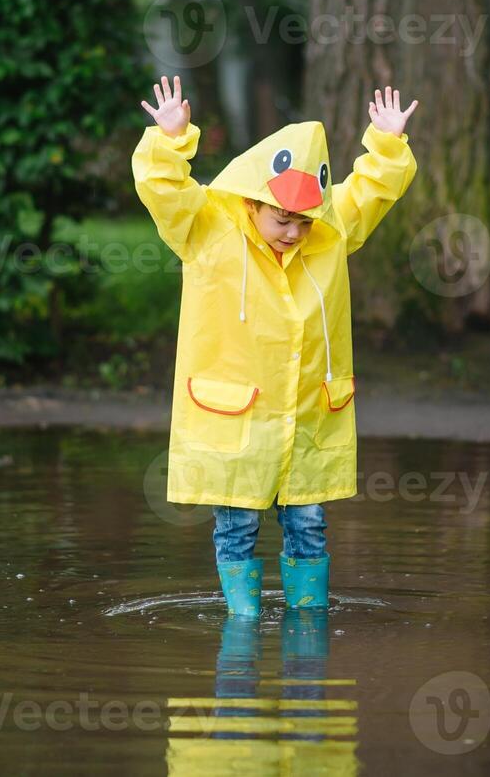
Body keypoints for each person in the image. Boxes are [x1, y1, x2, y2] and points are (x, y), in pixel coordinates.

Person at [132, 75, 419, 617]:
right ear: (255, 202)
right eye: (281, 218)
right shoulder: (208, 229)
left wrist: (385, 143)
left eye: (303, 221)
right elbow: (163, 190)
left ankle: (307, 630)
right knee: (236, 523)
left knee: (309, 523)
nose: (293, 231)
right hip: (237, 416)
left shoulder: (330, 235)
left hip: (308, 416)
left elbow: (369, 193)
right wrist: (171, 140)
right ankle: (242, 629)